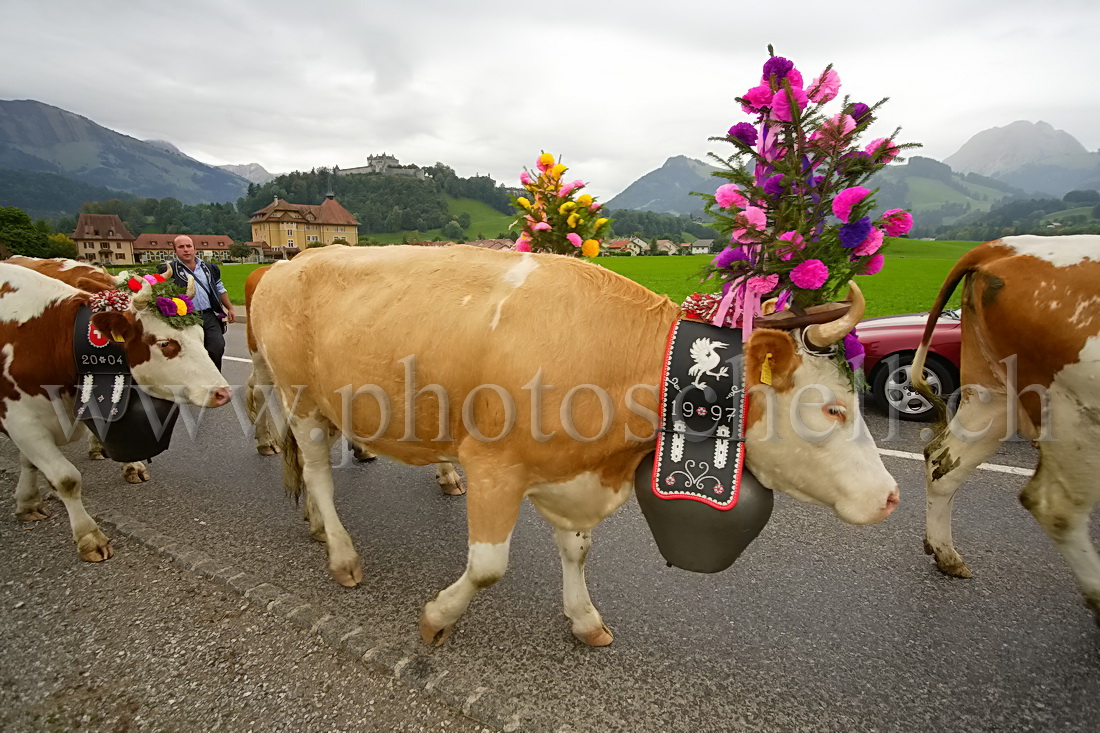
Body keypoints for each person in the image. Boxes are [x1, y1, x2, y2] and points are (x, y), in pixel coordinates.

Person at [158, 235, 236, 370]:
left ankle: (214, 381)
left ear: (195, 249)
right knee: (190, 353)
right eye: (181, 247)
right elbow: (161, 294)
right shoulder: (168, 270)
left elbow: (220, 288)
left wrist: (230, 308)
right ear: (175, 251)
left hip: (208, 315)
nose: (186, 250)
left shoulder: (209, 268)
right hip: (185, 318)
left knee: (217, 347)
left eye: (189, 246)